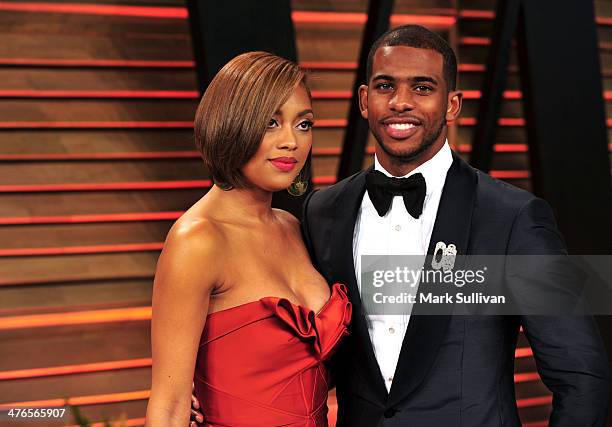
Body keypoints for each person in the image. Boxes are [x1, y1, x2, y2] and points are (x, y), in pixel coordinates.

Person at [191, 26, 610, 426]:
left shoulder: (512, 217)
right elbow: (310, 349)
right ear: (363, 99)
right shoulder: (323, 212)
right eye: (385, 86)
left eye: (423, 88)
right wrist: (209, 397)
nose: (400, 102)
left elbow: (581, 376)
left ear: (451, 105)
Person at [145, 51, 351, 427]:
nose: (291, 141)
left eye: (303, 125)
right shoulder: (198, 241)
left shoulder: (292, 227)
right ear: (231, 125)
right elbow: (169, 406)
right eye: (271, 122)